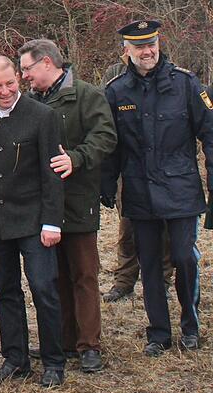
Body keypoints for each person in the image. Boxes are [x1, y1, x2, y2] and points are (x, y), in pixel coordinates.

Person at [102, 20, 213, 356]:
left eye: (151, 44)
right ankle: (159, 333)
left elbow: (209, 134)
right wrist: (106, 186)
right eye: (139, 47)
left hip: (181, 188)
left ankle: (190, 327)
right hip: (139, 192)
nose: (147, 52)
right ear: (126, 50)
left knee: (183, 257)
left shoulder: (186, 84)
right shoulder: (116, 91)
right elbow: (111, 146)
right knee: (149, 264)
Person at [0, 56, 66, 387]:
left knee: (43, 288)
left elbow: (53, 174)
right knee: (6, 291)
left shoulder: (42, 115)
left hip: (35, 222)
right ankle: (15, 358)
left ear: (18, 78)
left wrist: (52, 222)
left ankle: (53, 362)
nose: (5, 91)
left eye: (11, 83)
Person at [18, 39, 117, 373]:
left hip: (78, 200)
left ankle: (89, 345)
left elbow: (105, 137)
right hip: (43, 206)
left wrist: (76, 158)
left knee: (84, 274)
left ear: (46, 63)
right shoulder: (31, 101)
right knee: (54, 275)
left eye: (27, 69)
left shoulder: (88, 95)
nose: (24, 77)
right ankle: (62, 341)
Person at [100, 49, 174, 303]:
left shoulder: (168, 73)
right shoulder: (114, 75)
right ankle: (125, 280)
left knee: (164, 226)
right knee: (128, 227)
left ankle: (163, 278)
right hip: (129, 166)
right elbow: (106, 120)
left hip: (163, 166)